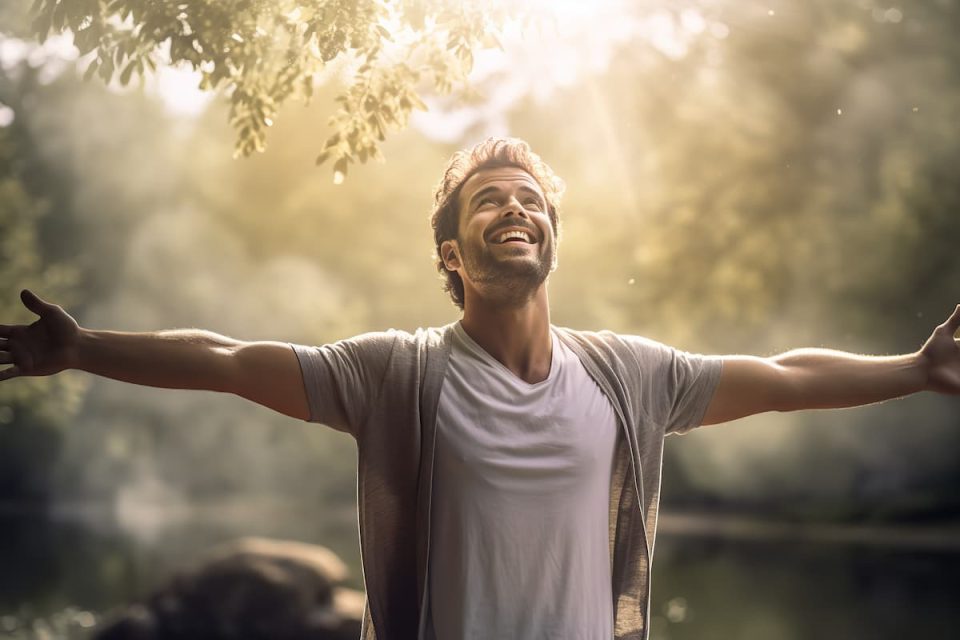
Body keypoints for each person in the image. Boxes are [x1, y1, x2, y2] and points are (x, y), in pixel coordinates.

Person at [1, 137, 958, 640]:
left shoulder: (629, 375)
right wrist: (85, 350)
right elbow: (226, 358)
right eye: (491, 198)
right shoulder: (396, 373)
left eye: (532, 199)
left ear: (550, 239)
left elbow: (785, 379)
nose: (518, 207)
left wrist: (914, 370)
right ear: (454, 255)